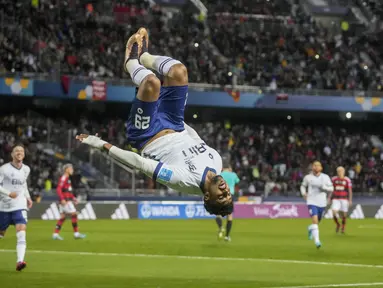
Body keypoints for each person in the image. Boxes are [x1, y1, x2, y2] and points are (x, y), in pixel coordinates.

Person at [76, 28, 233, 216]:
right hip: (174, 123)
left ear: (207, 197)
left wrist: (100, 144)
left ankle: (131, 62)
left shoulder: (184, 181)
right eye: (229, 194)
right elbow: (194, 137)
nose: (226, 190)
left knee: (152, 83)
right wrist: (178, 118)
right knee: (179, 71)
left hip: (147, 134)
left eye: (222, 196)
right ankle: (145, 58)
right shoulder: (216, 161)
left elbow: (139, 163)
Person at [0, 144, 33, 271]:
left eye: (21, 151)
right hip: (4, 206)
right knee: (1, 233)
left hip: (20, 205)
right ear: (12, 154)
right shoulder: (4, 169)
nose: (19, 152)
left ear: (24, 154)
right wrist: (8, 193)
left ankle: (20, 261)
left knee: (21, 231)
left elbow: (23, 185)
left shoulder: (26, 169)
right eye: (16, 151)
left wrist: (28, 197)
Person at [300, 161, 333, 249]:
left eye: (318, 165)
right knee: (315, 221)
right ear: (312, 167)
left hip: (322, 202)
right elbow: (303, 186)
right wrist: (304, 193)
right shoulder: (308, 177)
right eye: (314, 165)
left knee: (316, 223)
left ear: (321, 168)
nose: (316, 167)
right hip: (312, 201)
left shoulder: (325, 177)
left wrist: (324, 188)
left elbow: (331, 188)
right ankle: (317, 241)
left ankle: (310, 228)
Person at [52, 164, 86, 240]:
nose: (72, 170)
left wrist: (74, 198)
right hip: (65, 201)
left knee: (63, 217)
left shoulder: (68, 179)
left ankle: (55, 234)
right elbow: (58, 189)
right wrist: (62, 199)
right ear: (66, 169)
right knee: (74, 214)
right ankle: (76, 234)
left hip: (66, 200)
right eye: (71, 169)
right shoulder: (64, 178)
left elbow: (68, 192)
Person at [216, 164, 239, 241]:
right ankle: (227, 236)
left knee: (218, 214)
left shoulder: (219, 175)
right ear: (229, 168)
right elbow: (237, 182)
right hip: (230, 195)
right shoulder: (233, 174)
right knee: (229, 216)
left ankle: (221, 227)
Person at [330, 166, 352, 234]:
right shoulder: (333, 179)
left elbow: (350, 190)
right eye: (338, 171)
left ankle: (343, 227)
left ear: (344, 172)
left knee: (344, 215)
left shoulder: (347, 180)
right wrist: (329, 198)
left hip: (344, 199)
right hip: (336, 199)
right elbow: (331, 189)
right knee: (334, 213)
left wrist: (350, 200)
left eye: (341, 171)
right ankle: (337, 224)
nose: (340, 172)